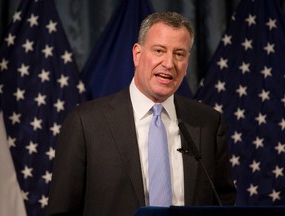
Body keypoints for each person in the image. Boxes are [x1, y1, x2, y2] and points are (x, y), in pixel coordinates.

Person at [46, 11, 236, 216]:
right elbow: (61, 211)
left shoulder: (207, 123)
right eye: (159, 50)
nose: (169, 63)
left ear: (187, 61)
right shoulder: (86, 123)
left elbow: (223, 204)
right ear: (137, 54)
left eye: (179, 54)